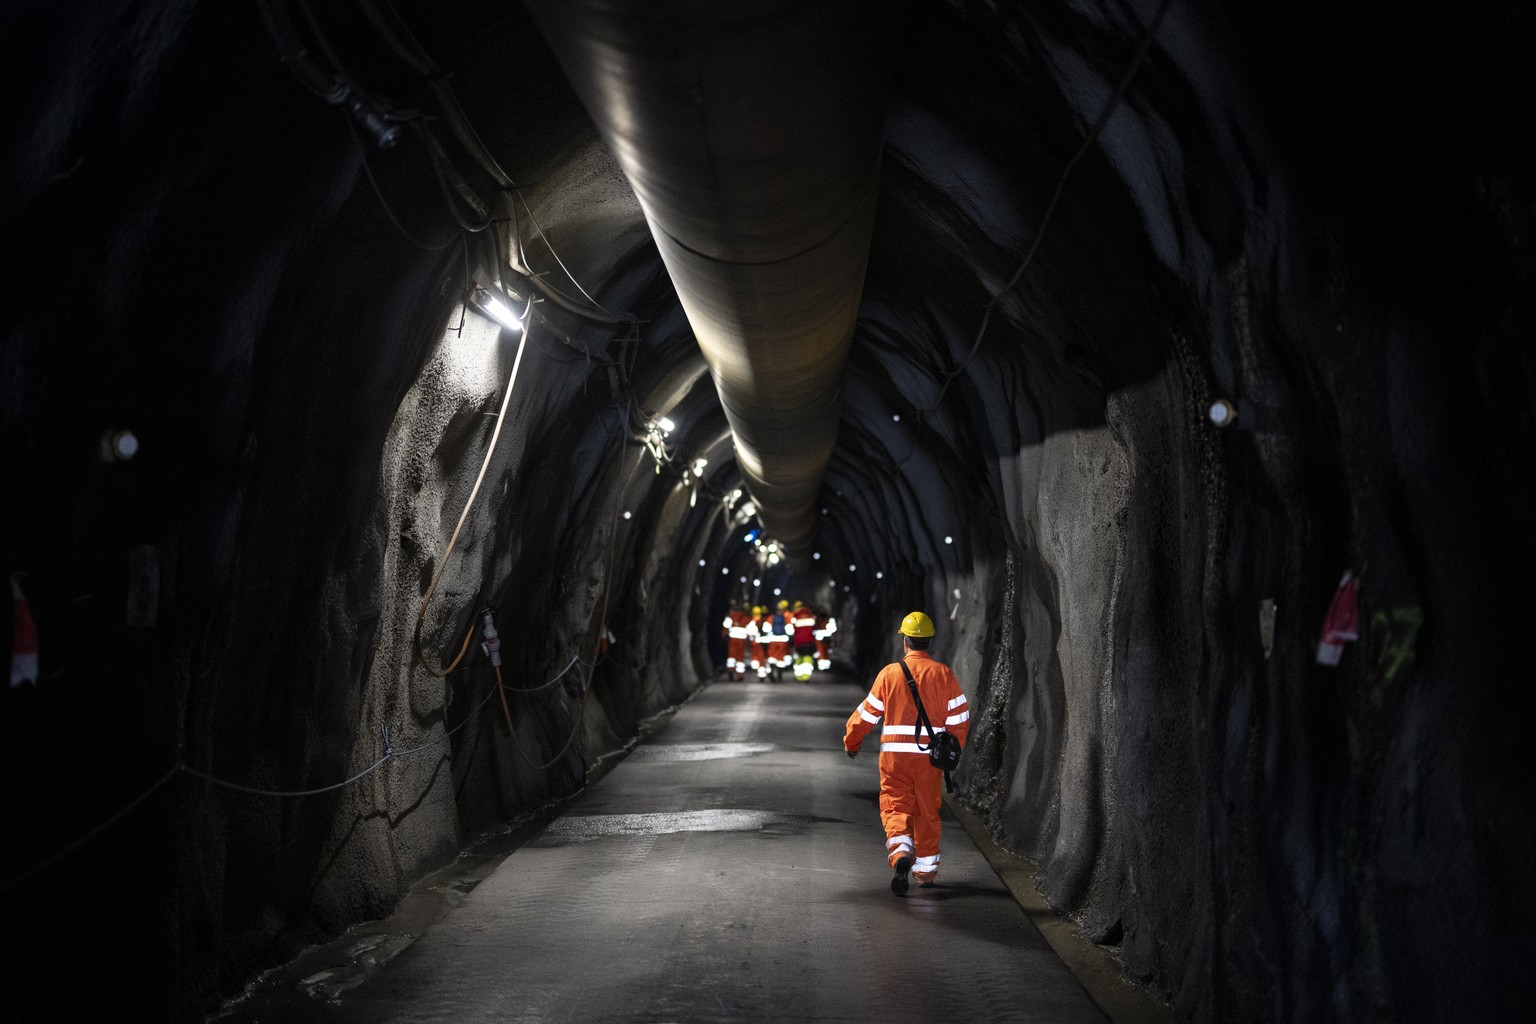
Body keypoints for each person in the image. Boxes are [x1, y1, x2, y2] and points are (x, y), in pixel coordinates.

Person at [843, 611, 970, 895]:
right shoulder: (943, 674)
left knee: (895, 805)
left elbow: (866, 714)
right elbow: (960, 718)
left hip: (895, 759)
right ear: (929, 642)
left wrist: (852, 742)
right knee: (927, 810)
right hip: (929, 759)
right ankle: (924, 873)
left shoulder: (889, 674)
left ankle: (901, 853)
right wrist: (953, 749)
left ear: (905, 642)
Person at [722, 604, 752, 680]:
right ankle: (740, 675)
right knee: (740, 657)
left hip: (733, 639)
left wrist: (724, 634)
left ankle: (730, 670)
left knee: (731, 655)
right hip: (742, 640)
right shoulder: (748, 618)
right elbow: (751, 630)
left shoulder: (732, 616)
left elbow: (726, 625)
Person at [790, 600, 818, 680]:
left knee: (799, 658)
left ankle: (798, 676)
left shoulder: (795, 616)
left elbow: (792, 629)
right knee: (808, 658)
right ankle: (806, 676)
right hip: (809, 642)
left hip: (799, 642)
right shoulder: (810, 615)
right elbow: (815, 627)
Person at [766, 599, 793, 681]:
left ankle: (771, 671)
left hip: (773, 640)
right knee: (781, 659)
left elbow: (766, 628)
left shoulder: (771, 618)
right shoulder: (786, 618)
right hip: (783, 640)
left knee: (772, 657)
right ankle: (779, 675)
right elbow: (790, 629)